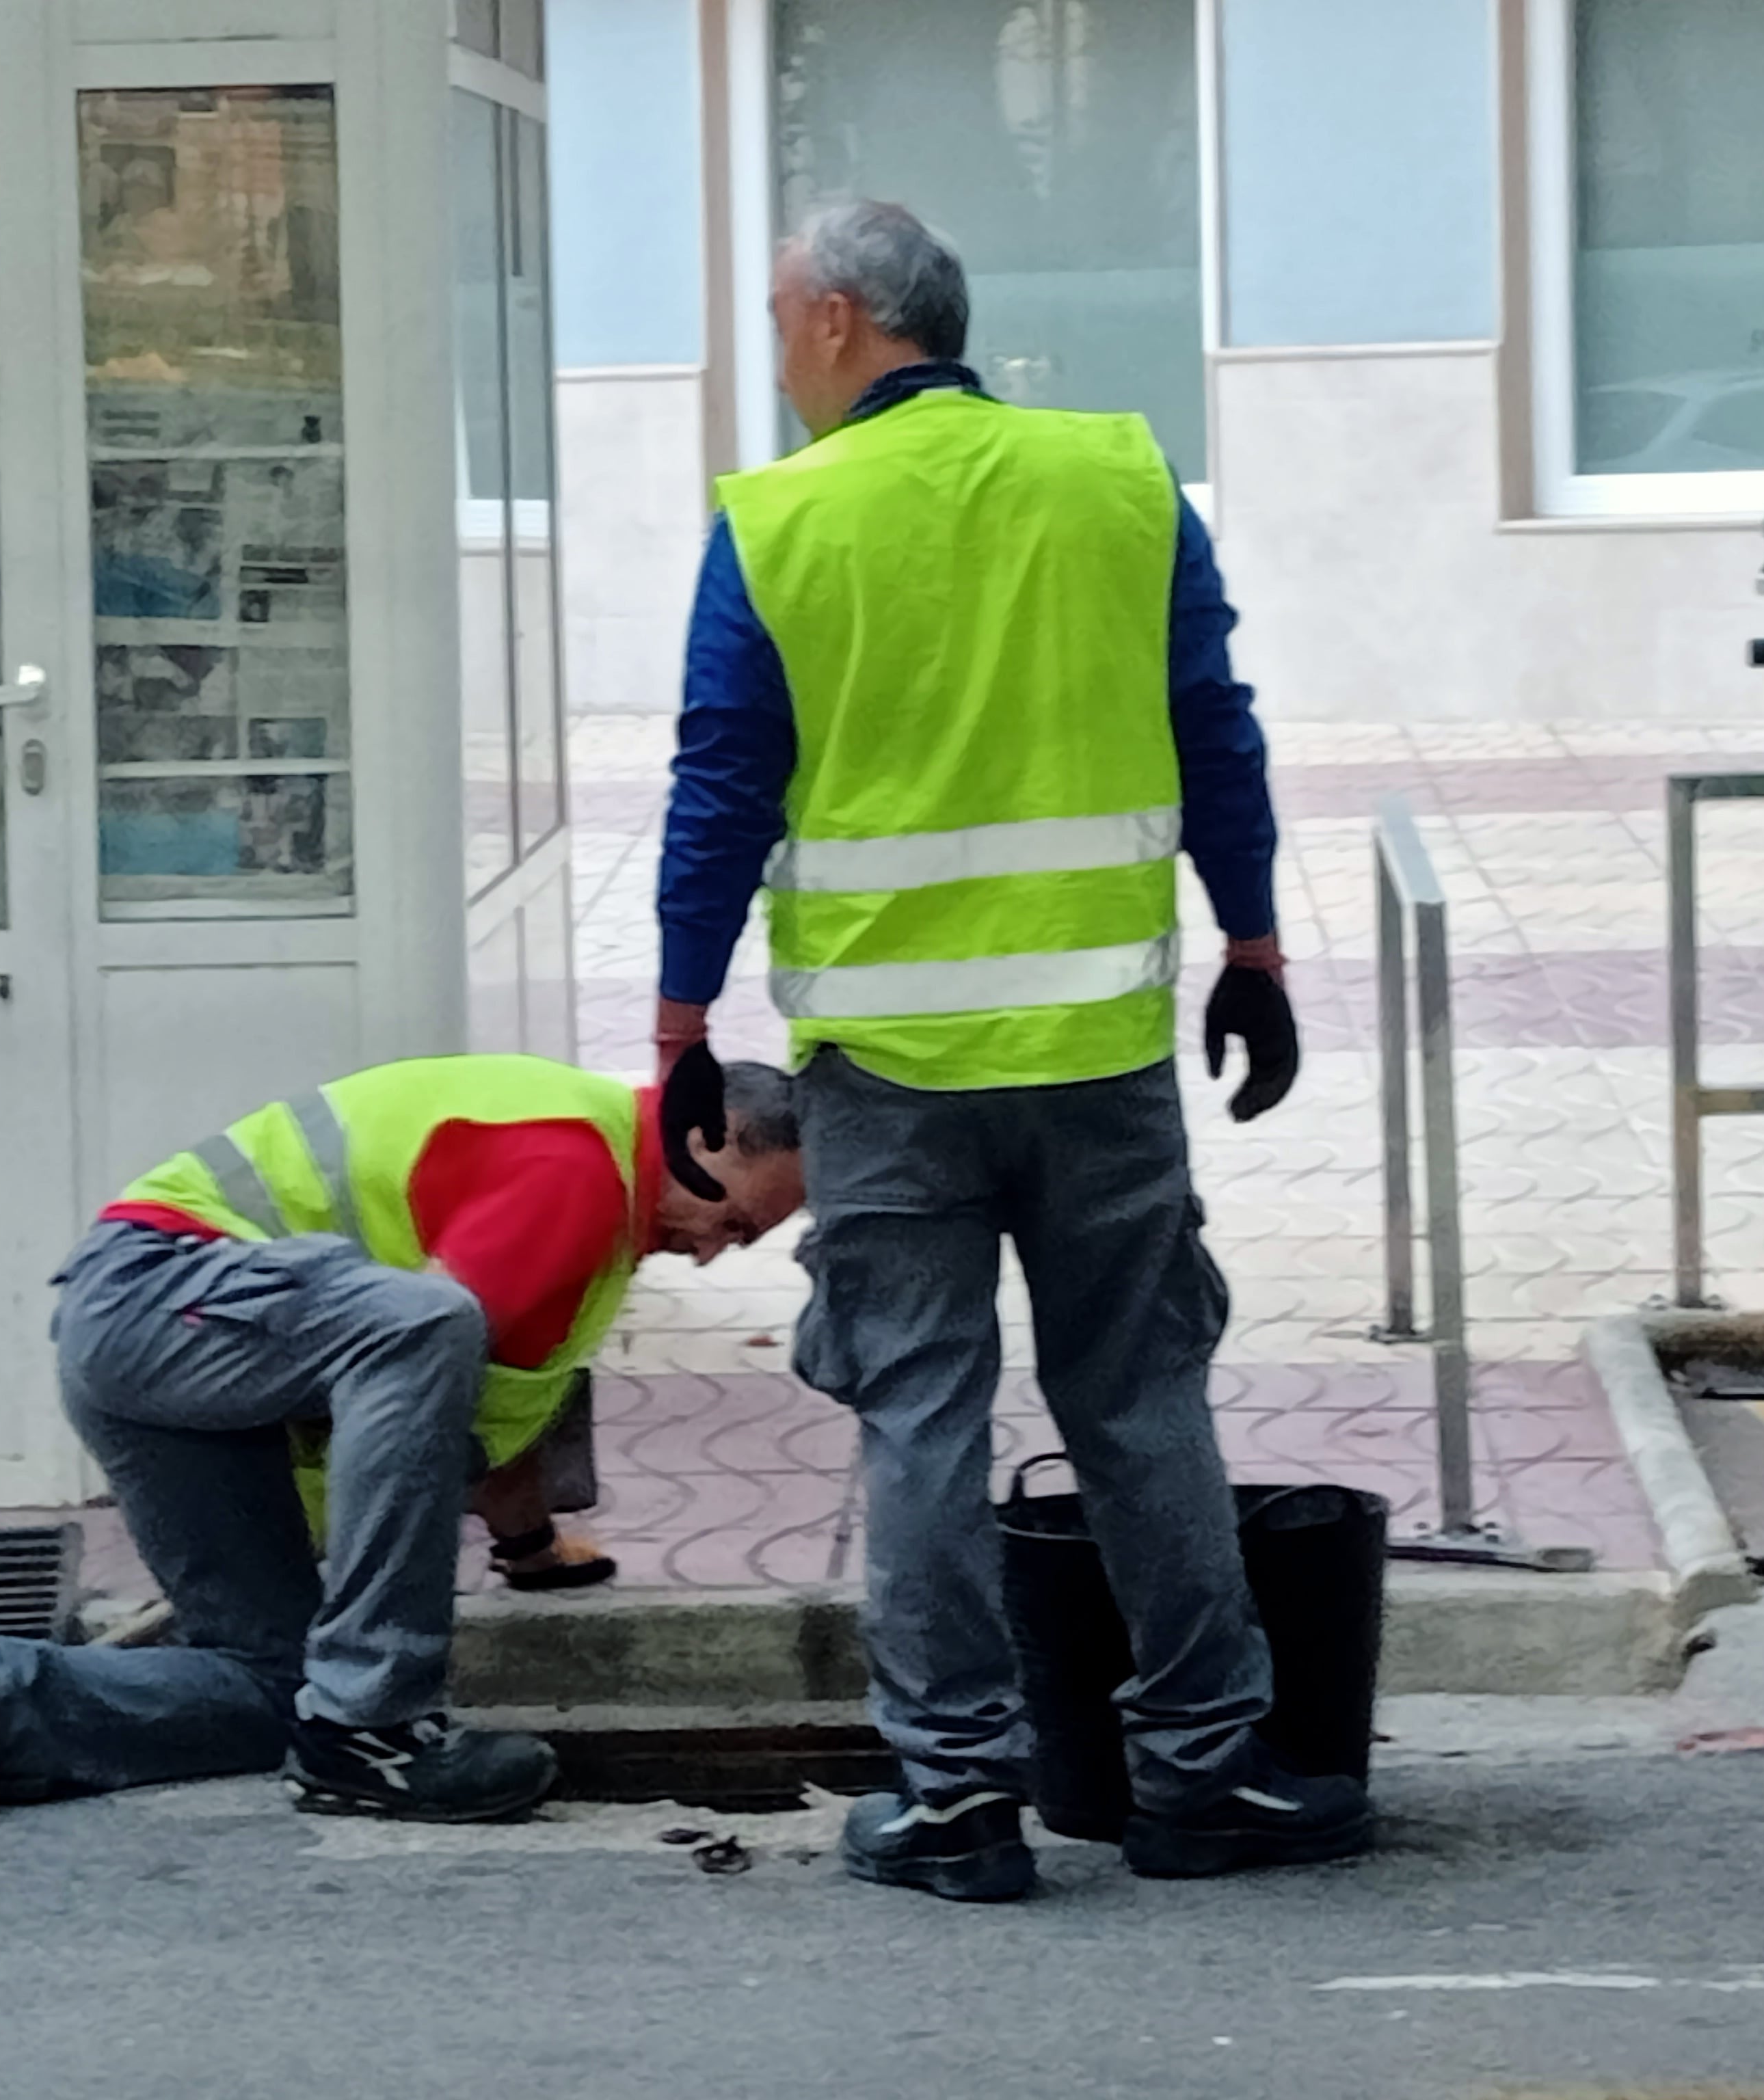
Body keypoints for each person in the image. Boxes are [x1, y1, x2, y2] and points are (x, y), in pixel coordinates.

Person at [654, 200, 1369, 1902]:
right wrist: (1253, 943)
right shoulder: (1121, 482)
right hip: (1096, 1054)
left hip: (888, 1074)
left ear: (838, 319)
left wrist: (683, 1027)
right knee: (1139, 1400)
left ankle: (959, 1801)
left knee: (921, 1414)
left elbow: (720, 787)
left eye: (776, 322)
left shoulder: (781, 522)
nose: (776, 356)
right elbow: (1217, 727)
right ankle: (1199, 1777)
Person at [0, 1051, 805, 1829]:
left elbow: (471, 1414)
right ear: (702, 1138)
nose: (717, 1250)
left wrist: (529, 1552)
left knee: (281, 1687)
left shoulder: (602, 1194)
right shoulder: (574, 1171)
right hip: (161, 1300)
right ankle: (374, 1729)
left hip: (184, 1357)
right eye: (731, 1220)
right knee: (426, 1323)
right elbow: (424, 1362)